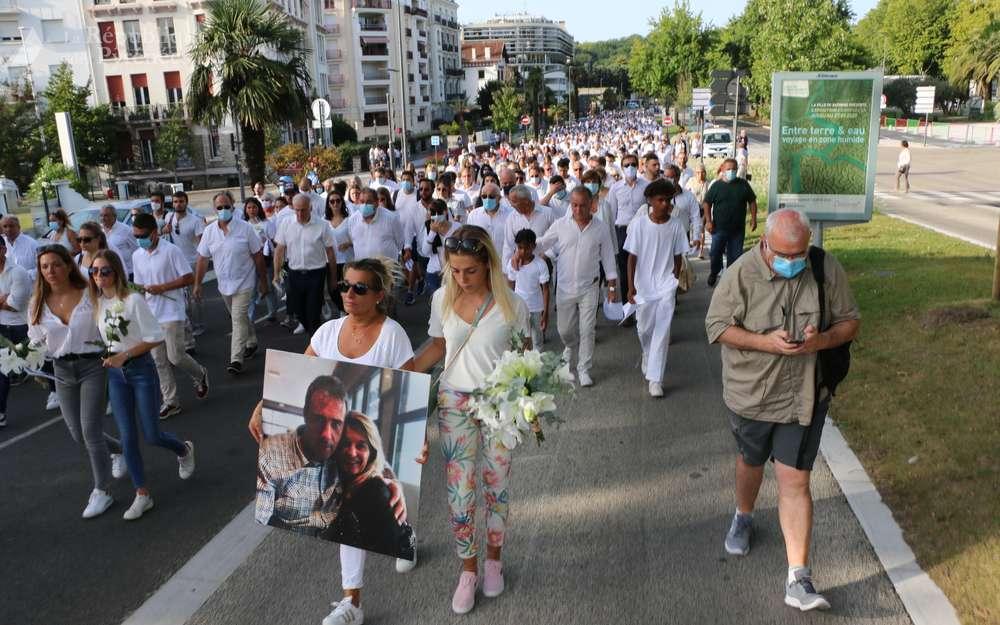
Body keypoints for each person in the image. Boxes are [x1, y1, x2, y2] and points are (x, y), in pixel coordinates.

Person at [705, 209, 861, 612]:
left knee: (795, 482)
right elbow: (717, 327)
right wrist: (766, 343)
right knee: (750, 462)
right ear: (764, 244)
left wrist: (821, 340)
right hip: (751, 396)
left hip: (804, 397)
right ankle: (743, 514)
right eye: (784, 254)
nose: (794, 262)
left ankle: (799, 578)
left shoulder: (825, 268)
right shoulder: (740, 274)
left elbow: (850, 323)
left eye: (800, 253)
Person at [248, 256, 417, 625]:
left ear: (379, 295)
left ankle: (403, 535)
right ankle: (352, 601)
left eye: (360, 288)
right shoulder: (327, 332)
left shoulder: (392, 335)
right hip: (340, 444)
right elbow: (301, 367)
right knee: (348, 514)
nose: (350, 294)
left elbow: (409, 388)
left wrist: (416, 439)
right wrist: (262, 404)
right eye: (345, 286)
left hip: (377, 435)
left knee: (391, 496)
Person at [412, 225, 529, 614]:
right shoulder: (442, 298)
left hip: (499, 405)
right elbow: (438, 348)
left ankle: (494, 559)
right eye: (455, 270)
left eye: (470, 271)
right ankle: (468, 570)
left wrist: (530, 404)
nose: (461, 279)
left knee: (497, 484)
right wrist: (401, 374)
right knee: (459, 491)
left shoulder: (512, 304)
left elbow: (526, 359)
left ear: (488, 265)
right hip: (454, 402)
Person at [89, 249, 196, 520]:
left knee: (151, 434)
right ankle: (142, 494)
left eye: (105, 271)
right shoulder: (97, 303)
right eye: (94, 271)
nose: (99, 276)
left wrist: (124, 355)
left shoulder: (133, 300)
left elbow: (155, 337)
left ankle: (183, 449)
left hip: (140, 371)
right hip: (116, 376)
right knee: (127, 438)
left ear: (117, 272)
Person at [28, 244, 125, 518]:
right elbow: (36, 340)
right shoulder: (37, 303)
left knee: (90, 431)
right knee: (77, 434)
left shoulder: (90, 294)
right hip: (62, 370)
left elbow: (112, 323)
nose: (50, 271)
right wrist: (27, 356)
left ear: (69, 265)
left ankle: (101, 491)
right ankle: (120, 449)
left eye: (56, 264)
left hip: (93, 365)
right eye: (44, 266)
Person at [532, 187, 619, 387]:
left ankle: (583, 368)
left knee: (587, 329)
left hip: (590, 287)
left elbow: (607, 259)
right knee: (564, 330)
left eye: (582, 206)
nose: (578, 210)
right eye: (574, 205)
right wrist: (524, 248)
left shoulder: (600, 228)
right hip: (564, 287)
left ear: (591, 206)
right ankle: (570, 346)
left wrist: (612, 288)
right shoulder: (560, 225)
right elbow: (543, 243)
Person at [131, 214, 209, 418]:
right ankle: (171, 401)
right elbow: (139, 284)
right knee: (158, 360)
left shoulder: (171, 251)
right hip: (150, 313)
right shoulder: (137, 255)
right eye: (136, 236)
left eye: (143, 235)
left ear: (155, 232)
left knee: (175, 356)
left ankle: (200, 374)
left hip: (172, 311)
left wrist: (163, 287)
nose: (140, 239)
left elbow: (188, 277)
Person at [624, 179, 689, 398]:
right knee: (644, 329)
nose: (665, 204)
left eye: (668, 200)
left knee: (661, 332)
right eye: (660, 200)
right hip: (643, 286)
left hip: (665, 286)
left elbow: (679, 255)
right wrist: (630, 287)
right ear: (650, 201)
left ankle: (655, 379)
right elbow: (631, 258)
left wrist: (674, 278)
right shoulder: (639, 225)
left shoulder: (676, 225)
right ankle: (646, 354)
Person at [323, 410, 416, 560]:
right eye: (345, 444)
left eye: (361, 446)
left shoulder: (376, 493)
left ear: (371, 453)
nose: (352, 453)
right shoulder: (338, 479)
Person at [193, 192, 269, 375]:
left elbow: (258, 256)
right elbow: (202, 259)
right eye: (219, 207)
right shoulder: (210, 232)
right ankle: (251, 341)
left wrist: (263, 281)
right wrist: (198, 284)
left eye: (226, 206)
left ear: (233, 207)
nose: (223, 210)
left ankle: (236, 358)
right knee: (240, 318)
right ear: (214, 209)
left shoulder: (245, 229)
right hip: (224, 285)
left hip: (245, 282)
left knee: (237, 318)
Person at [273, 194, 337, 337]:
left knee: (312, 313)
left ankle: (315, 344)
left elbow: (330, 253)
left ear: (311, 208)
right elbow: (279, 250)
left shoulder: (322, 225)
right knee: (298, 310)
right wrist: (276, 274)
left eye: (303, 210)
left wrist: (333, 278)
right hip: (294, 274)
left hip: (316, 274)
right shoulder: (286, 224)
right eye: (297, 210)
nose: (300, 214)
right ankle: (316, 334)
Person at [703, 158, 758, 287]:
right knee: (715, 253)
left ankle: (730, 281)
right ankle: (714, 271)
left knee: (735, 257)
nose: (731, 172)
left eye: (734, 169)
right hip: (719, 229)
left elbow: (752, 201)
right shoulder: (717, 186)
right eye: (728, 169)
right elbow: (707, 203)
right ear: (722, 169)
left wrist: (754, 218)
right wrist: (708, 221)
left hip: (737, 230)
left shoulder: (743, 184)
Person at [163, 191, 207, 341]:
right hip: (176, 263)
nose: (178, 204)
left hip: (193, 262)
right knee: (181, 297)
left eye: (181, 201)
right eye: (175, 202)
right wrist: (165, 230)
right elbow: (164, 234)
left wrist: (202, 262)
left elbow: (203, 244)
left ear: (186, 203)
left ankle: (199, 324)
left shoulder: (195, 221)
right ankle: (186, 324)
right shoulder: (169, 217)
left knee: (195, 295)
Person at [606, 154, 649, 304]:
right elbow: (611, 213)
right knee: (625, 271)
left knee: (642, 268)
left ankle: (643, 303)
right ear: (622, 168)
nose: (630, 167)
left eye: (632, 164)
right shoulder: (615, 188)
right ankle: (627, 305)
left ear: (637, 166)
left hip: (642, 231)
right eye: (626, 165)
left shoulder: (646, 185)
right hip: (622, 231)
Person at [0, 235, 31, 428]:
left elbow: (16, 304)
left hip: (20, 326)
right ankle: (1, 412)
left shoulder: (18, 272)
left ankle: (58, 388)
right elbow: (7, 303)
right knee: (2, 370)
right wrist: (4, 299)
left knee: (41, 366)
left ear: (3, 249)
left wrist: (7, 301)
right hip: (1, 327)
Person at [506, 229, 549, 348]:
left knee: (537, 340)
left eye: (527, 248)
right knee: (521, 339)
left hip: (536, 308)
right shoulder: (513, 264)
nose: (523, 251)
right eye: (519, 247)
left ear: (534, 246)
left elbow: (545, 289)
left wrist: (545, 313)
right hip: (519, 308)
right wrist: (510, 306)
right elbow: (511, 285)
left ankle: (537, 363)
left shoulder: (540, 264)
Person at [342, 188, 409, 263]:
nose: (365, 205)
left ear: (377, 203)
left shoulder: (391, 218)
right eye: (362, 202)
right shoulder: (352, 220)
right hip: (363, 269)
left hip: (386, 269)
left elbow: (400, 242)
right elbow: (353, 239)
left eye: (369, 202)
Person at [500, 185, 554, 271]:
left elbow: (556, 239)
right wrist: (506, 271)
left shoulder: (548, 213)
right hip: (522, 268)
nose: (511, 205)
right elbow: (508, 246)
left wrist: (546, 255)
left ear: (526, 201)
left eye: (514, 202)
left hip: (545, 265)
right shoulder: (511, 218)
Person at [244, 198, 278, 323]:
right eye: (249, 208)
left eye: (254, 207)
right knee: (251, 290)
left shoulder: (267, 223)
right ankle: (249, 319)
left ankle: (272, 312)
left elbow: (275, 242)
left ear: (258, 208)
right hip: (249, 261)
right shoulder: (244, 225)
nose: (252, 210)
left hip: (265, 260)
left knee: (268, 287)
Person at [420, 199, 461, 294]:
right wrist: (432, 232)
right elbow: (425, 252)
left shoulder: (457, 227)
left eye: (439, 212)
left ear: (445, 211)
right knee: (436, 305)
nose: (436, 215)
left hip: (452, 272)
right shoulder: (428, 227)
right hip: (434, 273)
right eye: (433, 213)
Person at [325, 190, 353, 318]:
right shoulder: (324, 222)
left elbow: (356, 239)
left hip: (347, 261)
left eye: (338, 200)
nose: (335, 203)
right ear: (328, 204)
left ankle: (347, 312)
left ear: (342, 202)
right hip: (331, 261)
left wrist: (348, 243)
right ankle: (342, 309)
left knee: (346, 288)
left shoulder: (349, 221)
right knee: (332, 290)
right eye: (332, 201)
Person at [466, 183, 510, 253]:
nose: (487, 199)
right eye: (484, 196)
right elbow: (469, 238)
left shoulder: (509, 215)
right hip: (481, 260)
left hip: (502, 260)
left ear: (499, 198)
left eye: (491, 196)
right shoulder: (473, 215)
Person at [99, 205, 139, 279]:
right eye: (101, 215)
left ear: (114, 216)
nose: (103, 218)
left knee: (132, 291)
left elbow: (136, 250)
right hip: (109, 274)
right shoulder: (99, 231)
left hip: (128, 273)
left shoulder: (126, 230)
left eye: (106, 215)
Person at [2, 215, 39, 280]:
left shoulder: (32, 244)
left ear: (19, 227)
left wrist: (23, 275)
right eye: (5, 226)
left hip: (29, 287)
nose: (8, 229)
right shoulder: (2, 245)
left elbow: (42, 267)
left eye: (11, 226)